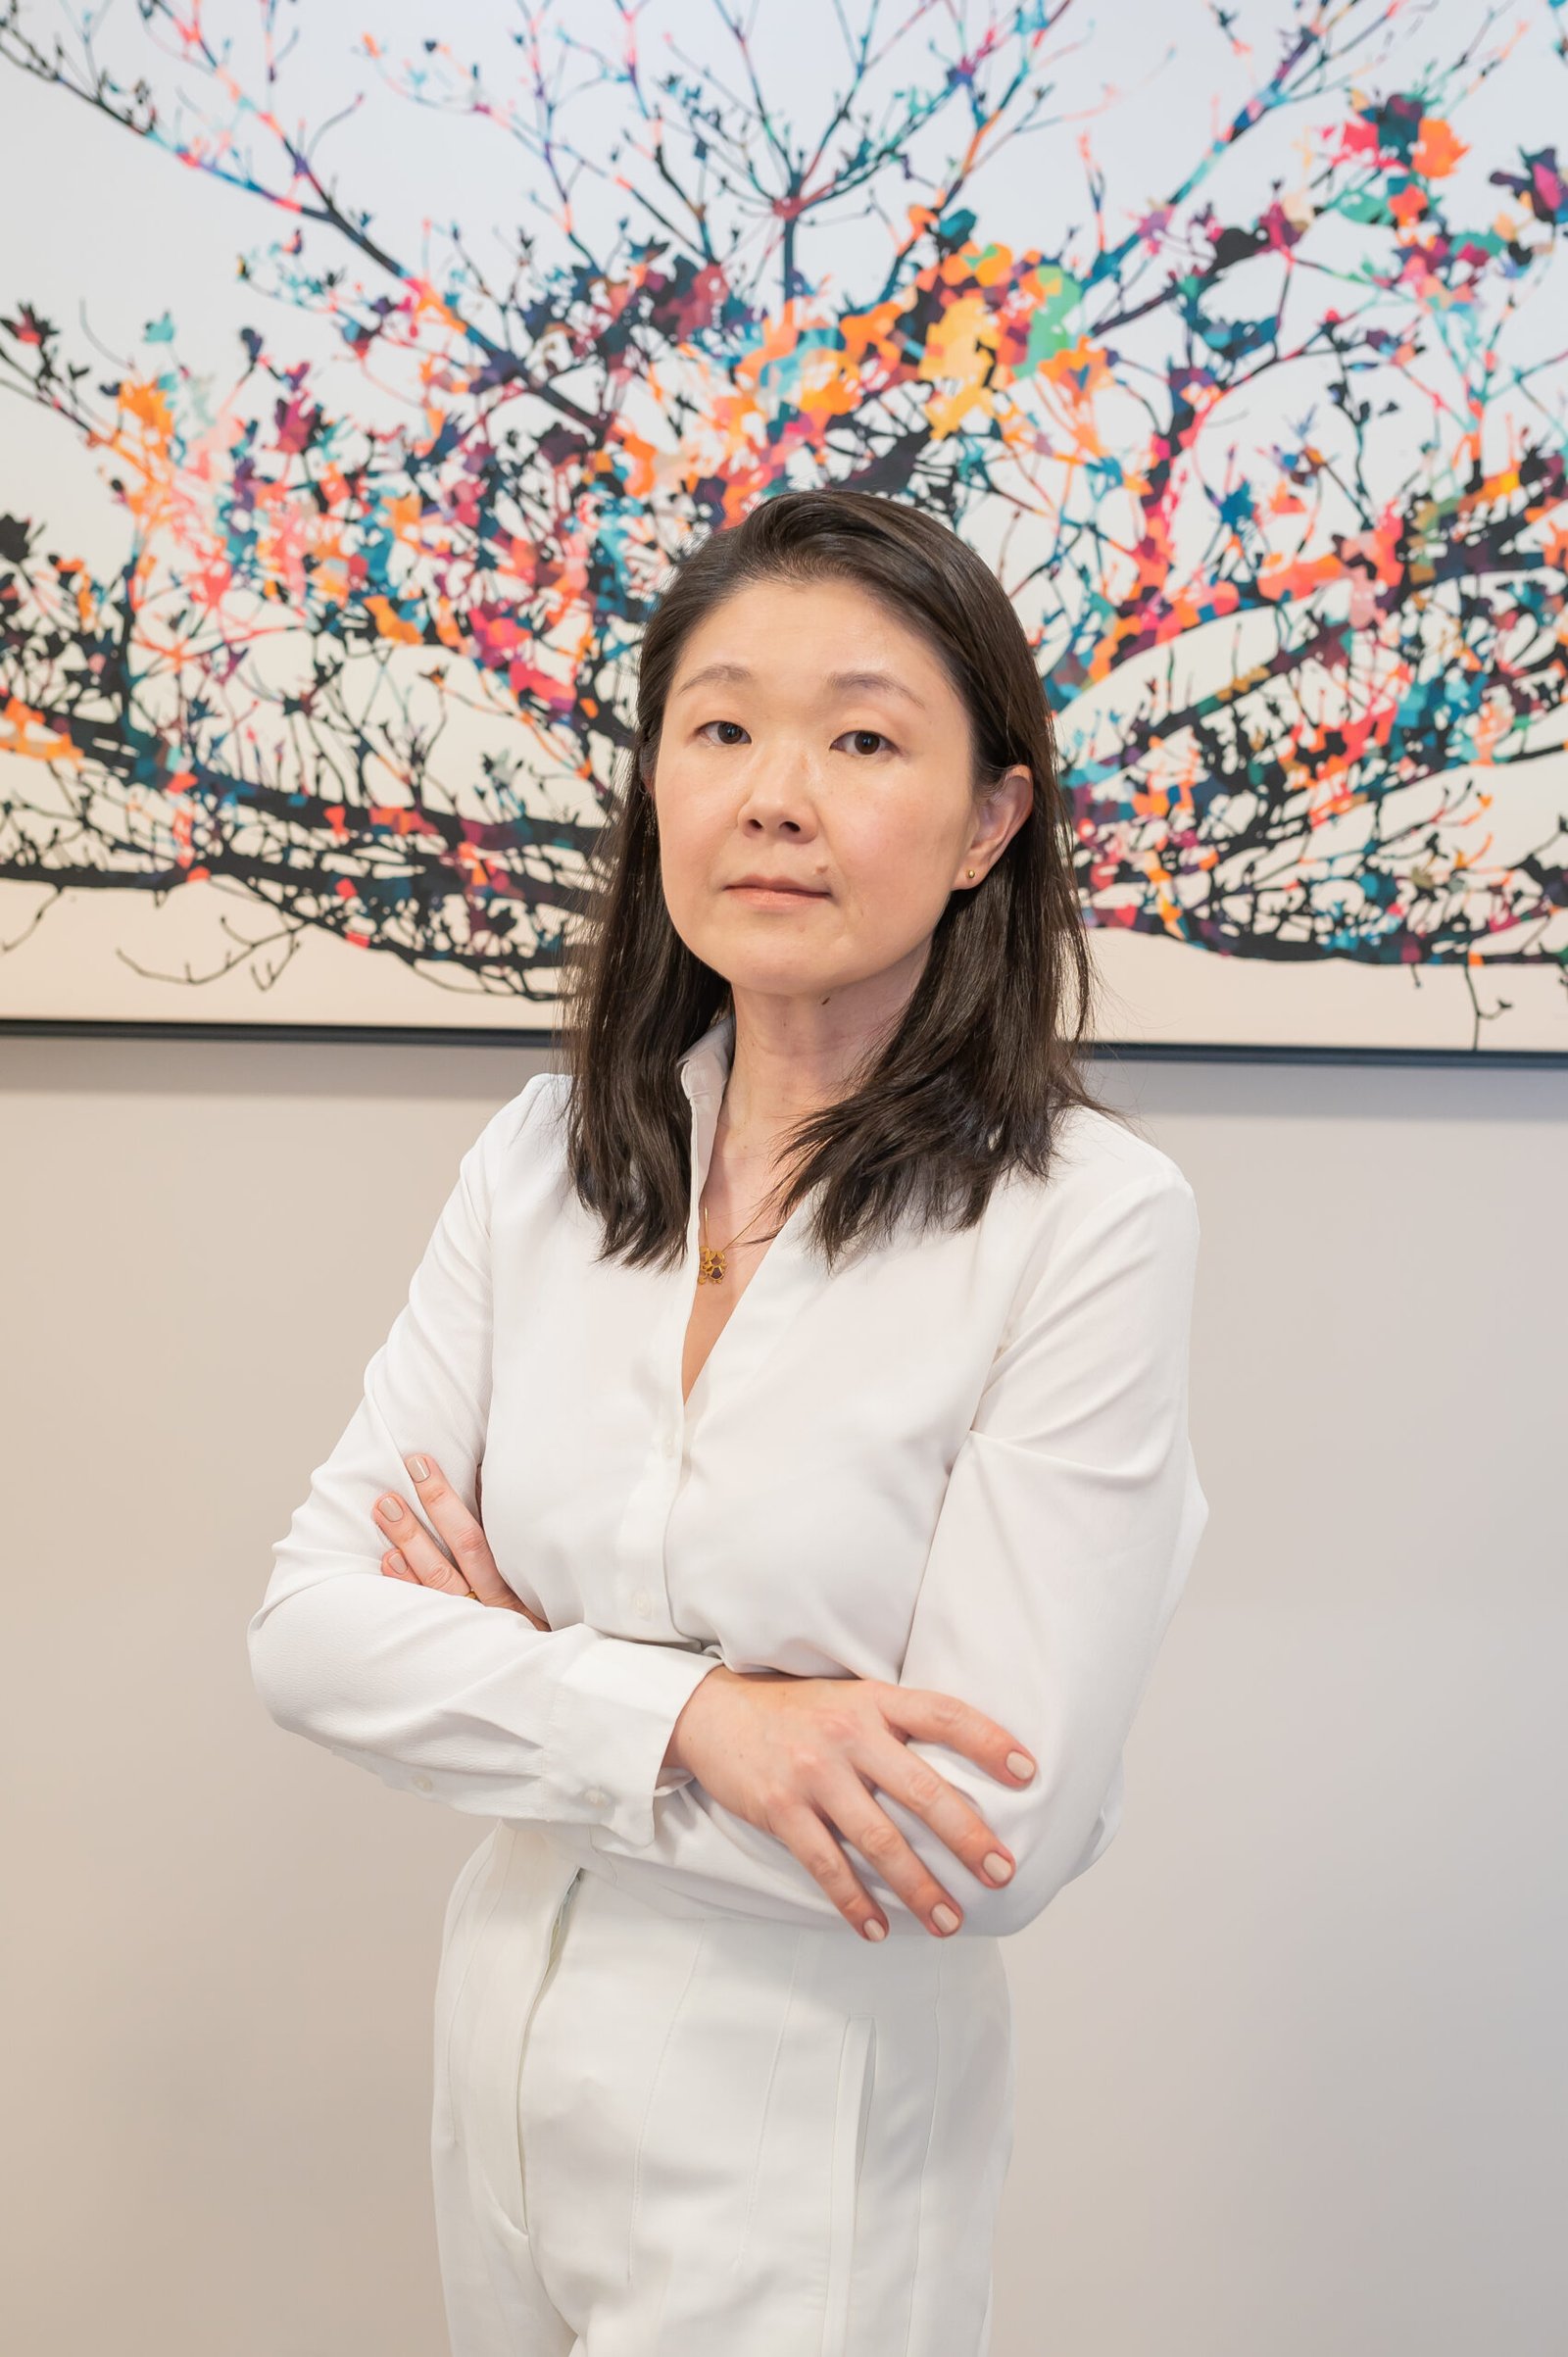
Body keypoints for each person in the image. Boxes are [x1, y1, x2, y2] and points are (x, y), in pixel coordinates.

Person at [248, 486, 1208, 2355]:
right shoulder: (547, 1158)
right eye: (720, 727)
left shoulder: (1086, 1222)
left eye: (863, 739)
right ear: (657, 785)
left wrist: (520, 1676)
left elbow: (979, 1830)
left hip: (806, 2128)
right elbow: (307, 1632)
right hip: (501, 2065)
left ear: (990, 822)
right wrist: (705, 1718)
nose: (775, 795)